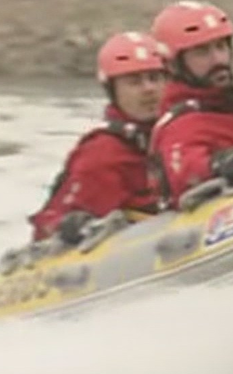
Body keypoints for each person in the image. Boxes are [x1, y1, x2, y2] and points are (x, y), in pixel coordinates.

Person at [28, 32, 168, 244]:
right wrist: (69, 224)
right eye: (134, 81)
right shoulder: (103, 152)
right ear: (113, 91)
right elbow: (50, 226)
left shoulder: (183, 134)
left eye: (155, 78)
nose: (149, 89)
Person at [148, 0, 233, 209]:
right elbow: (186, 171)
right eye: (202, 52)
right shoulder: (180, 126)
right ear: (173, 64)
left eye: (221, 47)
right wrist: (218, 164)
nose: (218, 59)